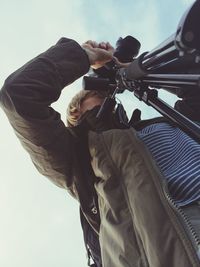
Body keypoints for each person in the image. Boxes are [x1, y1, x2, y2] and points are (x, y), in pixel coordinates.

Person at [1, 37, 200, 267]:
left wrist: (135, 70)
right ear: (75, 116)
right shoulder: (79, 158)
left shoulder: (165, 123)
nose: (110, 96)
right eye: (95, 95)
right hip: (173, 242)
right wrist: (84, 56)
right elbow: (19, 95)